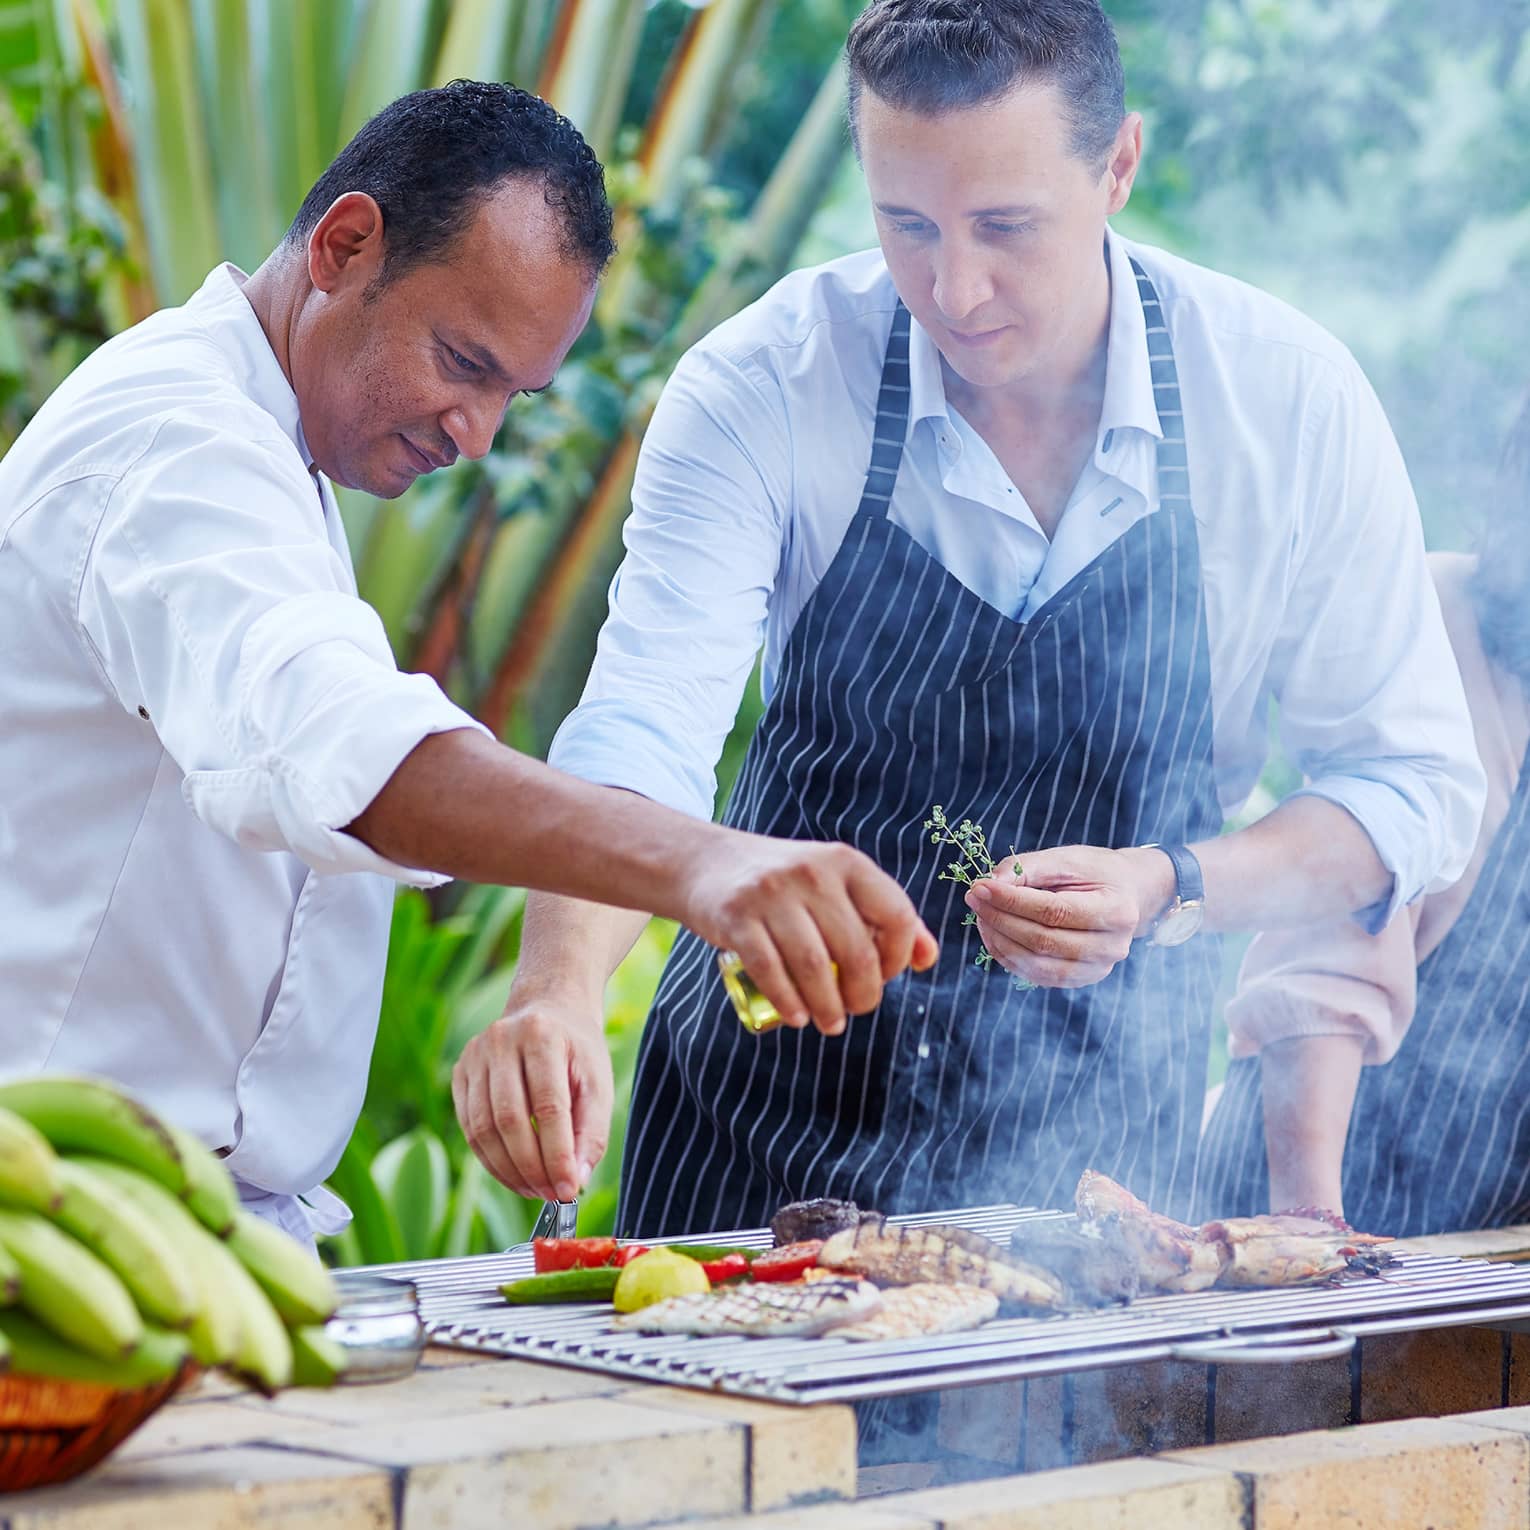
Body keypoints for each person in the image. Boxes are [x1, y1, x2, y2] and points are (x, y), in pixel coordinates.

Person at [459, 0, 1484, 1238]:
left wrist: (1175, 883)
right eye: (907, 225)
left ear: (1118, 167)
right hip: (754, 1129)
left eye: (1006, 227)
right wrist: (561, 988)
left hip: (1101, 1161)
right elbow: (645, 728)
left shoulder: (1284, 402)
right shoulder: (762, 382)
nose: (956, 288)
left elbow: (1412, 785)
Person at [0, 81, 936, 1243]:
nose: (475, 433)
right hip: (56, 1222)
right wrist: (704, 868)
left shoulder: (264, 443)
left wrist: (561, 987)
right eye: (463, 360)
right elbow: (351, 751)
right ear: (347, 245)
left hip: (197, 1223)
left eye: (512, 395)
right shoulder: (172, 445)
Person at [1200, 395, 1530, 1235]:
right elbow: (1330, 957)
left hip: (1491, 1244)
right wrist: (1309, 1228)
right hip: (1310, 1191)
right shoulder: (1438, 622)